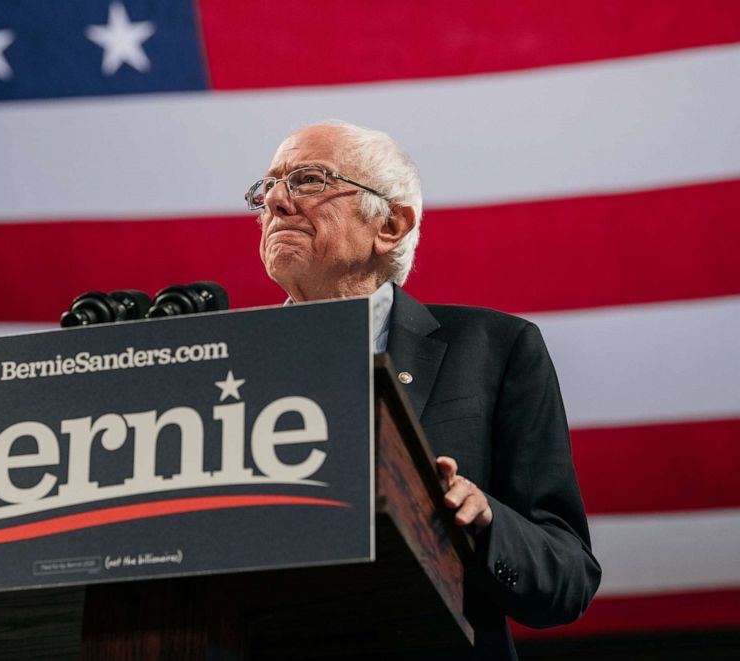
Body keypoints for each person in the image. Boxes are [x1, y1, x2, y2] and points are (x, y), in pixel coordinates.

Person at [246, 120, 601, 659]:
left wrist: (484, 520)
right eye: (266, 187)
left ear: (390, 224)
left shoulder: (495, 349)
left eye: (309, 180)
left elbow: (567, 576)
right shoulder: (228, 362)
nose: (274, 200)